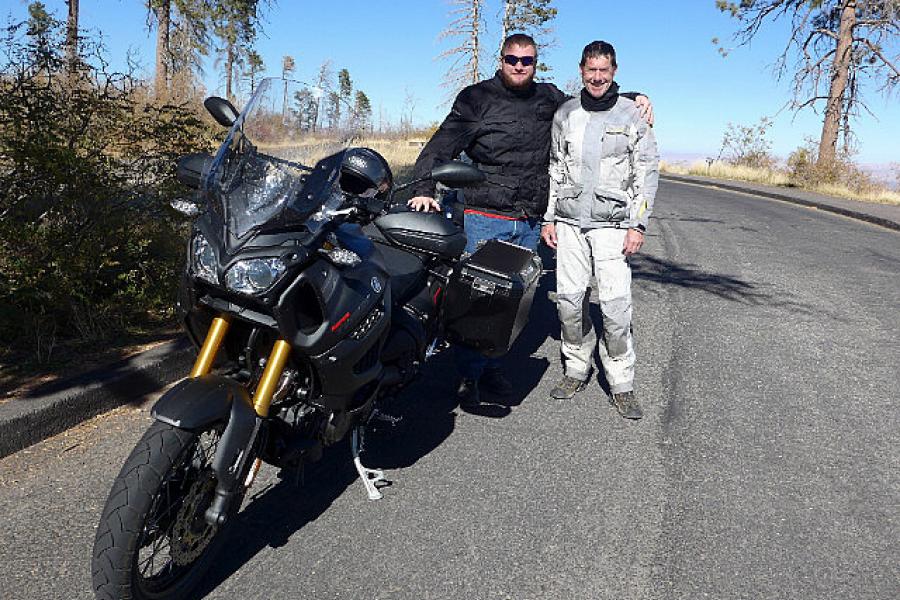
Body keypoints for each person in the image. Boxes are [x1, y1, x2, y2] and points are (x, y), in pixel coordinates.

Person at [408, 33, 653, 407]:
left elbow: (594, 99)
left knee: (512, 304)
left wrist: (635, 97)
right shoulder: (477, 99)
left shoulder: (549, 98)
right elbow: (443, 142)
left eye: (527, 61)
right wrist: (424, 185)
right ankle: (468, 374)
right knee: (477, 299)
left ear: (535, 64)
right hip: (486, 214)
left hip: (529, 219)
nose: (520, 66)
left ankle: (492, 366)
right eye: (512, 59)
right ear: (501, 60)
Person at [540, 40, 659, 420]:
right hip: (570, 223)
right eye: (590, 70)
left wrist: (637, 224)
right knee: (570, 304)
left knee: (615, 307)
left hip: (613, 225)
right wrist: (549, 218)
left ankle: (621, 383)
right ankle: (577, 369)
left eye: (603, 71)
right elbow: (555, 170)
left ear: (614, 72)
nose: (596, 77)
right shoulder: (566, 114)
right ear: (581, 70)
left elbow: (646, 174)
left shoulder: (632, 114)